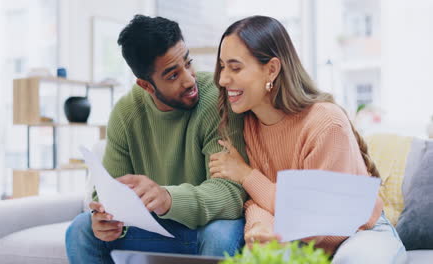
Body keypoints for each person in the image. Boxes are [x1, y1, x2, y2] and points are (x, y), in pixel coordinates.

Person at [209, 15, 407, 263]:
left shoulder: (325, 123)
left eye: (235, 67)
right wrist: (260, 231)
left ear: (271, 69)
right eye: (222, 66)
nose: (223, 79)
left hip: (358, 233)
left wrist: (248, 176)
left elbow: (329, 225)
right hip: (298, 237)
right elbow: (255, 203)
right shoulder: (248, 123)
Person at [65, 15, 248, 263]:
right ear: (146, 85)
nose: (188, 79)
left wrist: (168, 198)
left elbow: (230, 193)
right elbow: (109, 192)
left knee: (220, 234)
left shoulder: (215, 98)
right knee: (81, 230)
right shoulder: (126, 113)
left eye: (188, 63)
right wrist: (107, 220)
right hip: (157, 229)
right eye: (172, 75)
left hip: (205, 228)